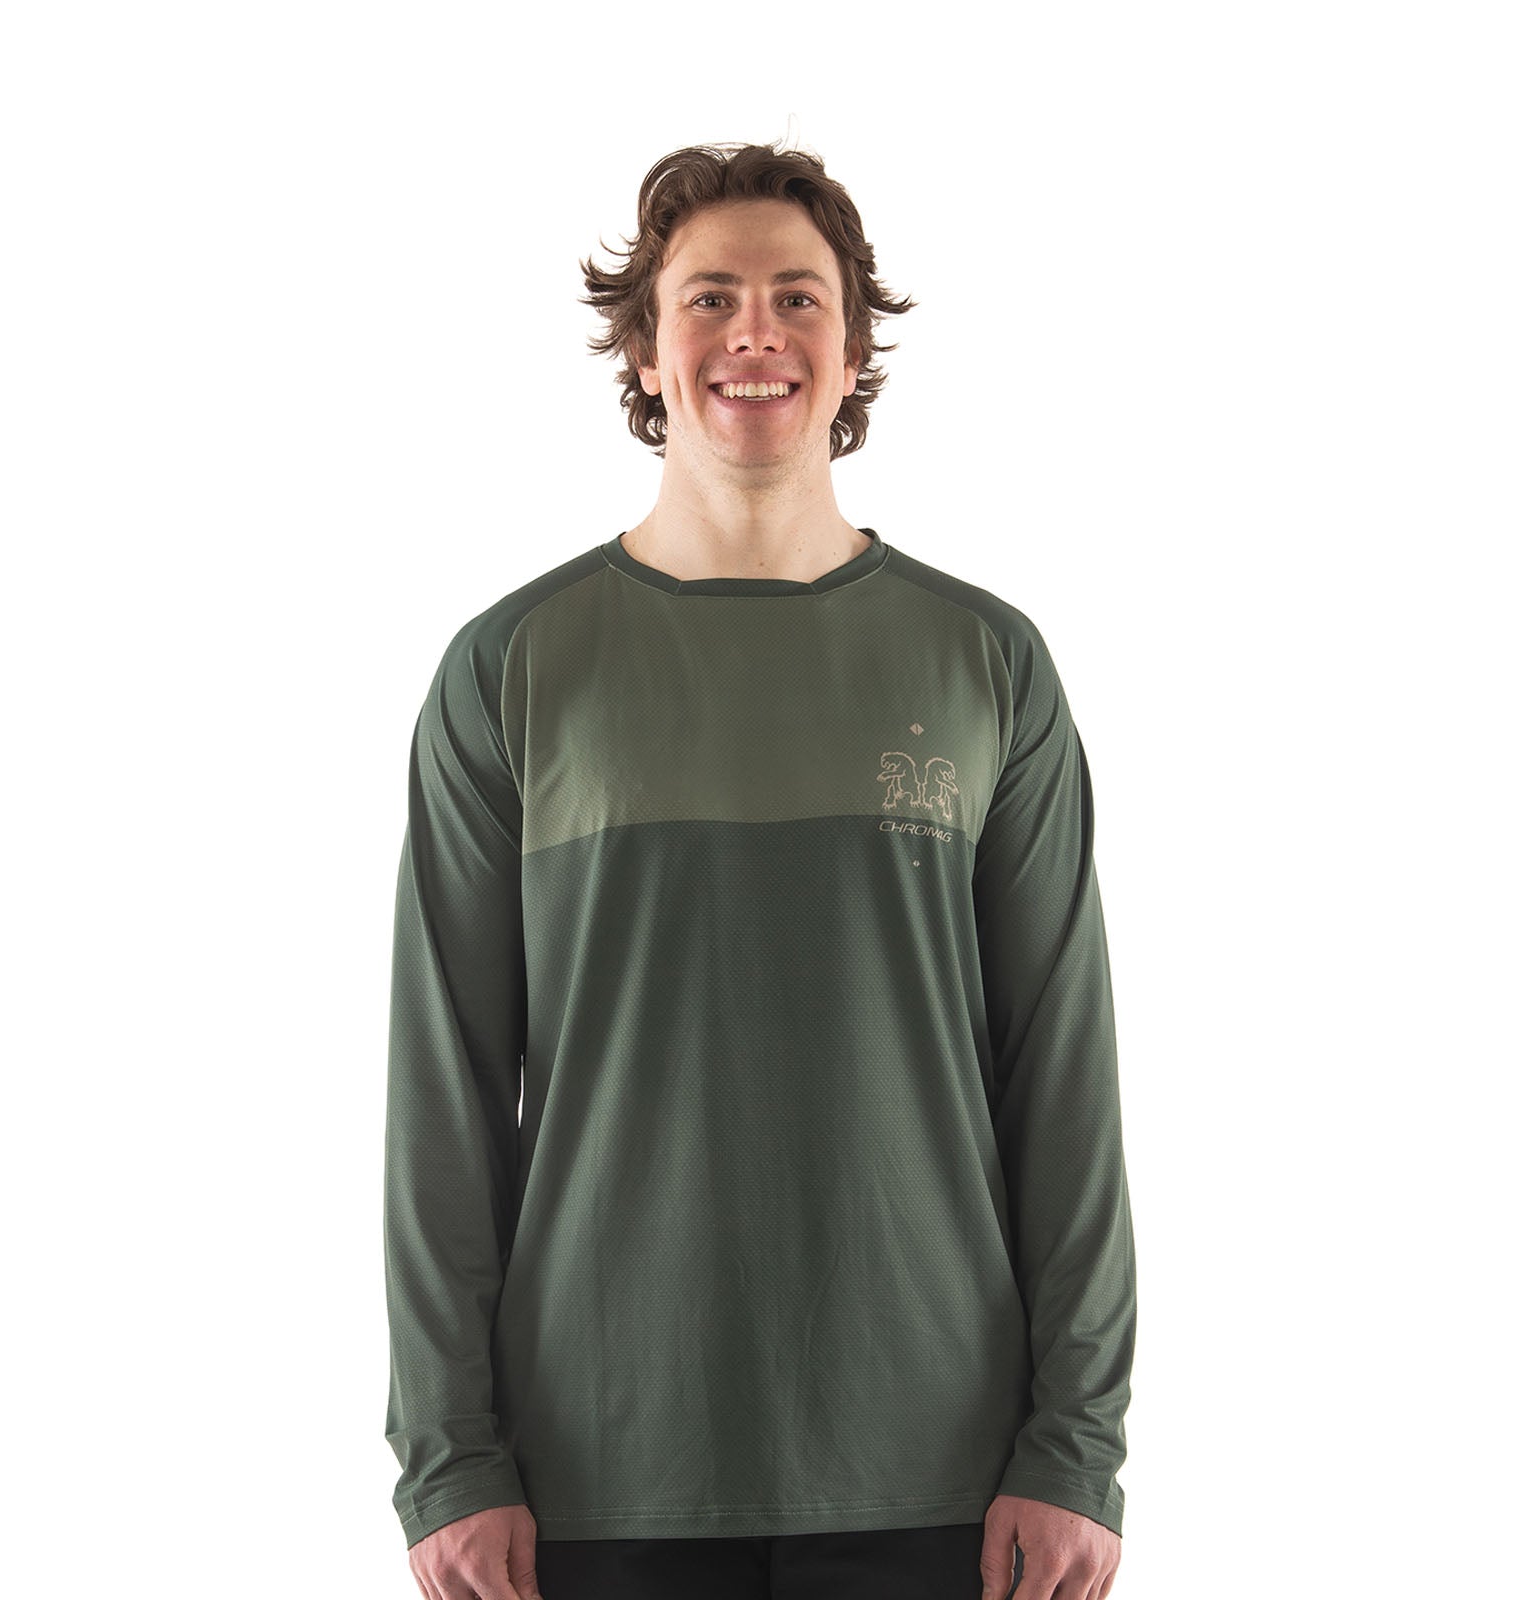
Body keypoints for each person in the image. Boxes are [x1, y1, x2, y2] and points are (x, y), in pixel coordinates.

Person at [383, 140, 1136, 1600]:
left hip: (943, 1468)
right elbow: (444, 1090)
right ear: (646, 351)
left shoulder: (986, 663)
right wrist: (449, 1460)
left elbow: (1064, 1074)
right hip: (598, 1470)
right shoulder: (512, 669)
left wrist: (1078, 1445)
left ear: (852, 353)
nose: (756, 333)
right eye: (710, 298)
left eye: (799, 298)